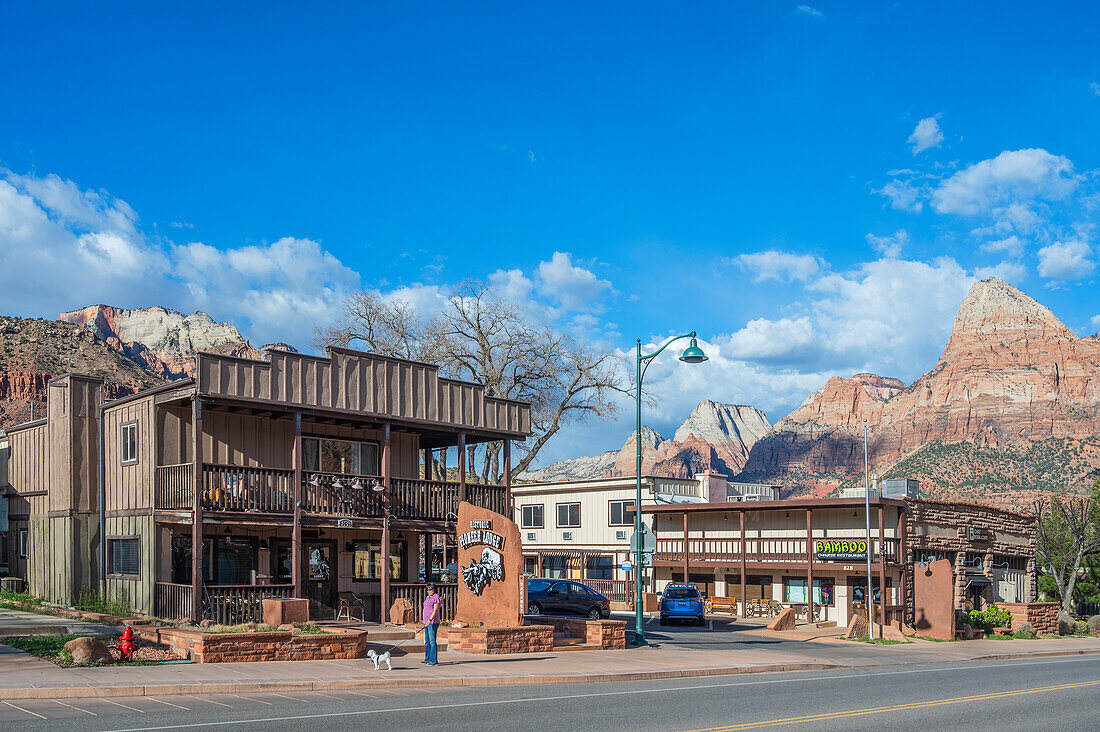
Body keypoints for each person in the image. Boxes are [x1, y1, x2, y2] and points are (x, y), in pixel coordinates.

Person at [422, 584, 442, 666]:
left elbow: (435, 611)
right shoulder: (428, 597)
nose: (428, 591)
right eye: (427, 589)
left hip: (432, 622)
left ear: (434, 590)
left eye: (430, 589)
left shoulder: (436, 598)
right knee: (427, 642)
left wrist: (430, 620)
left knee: (432, 641)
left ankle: (433, 660)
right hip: (426, 622)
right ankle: (427, 658)